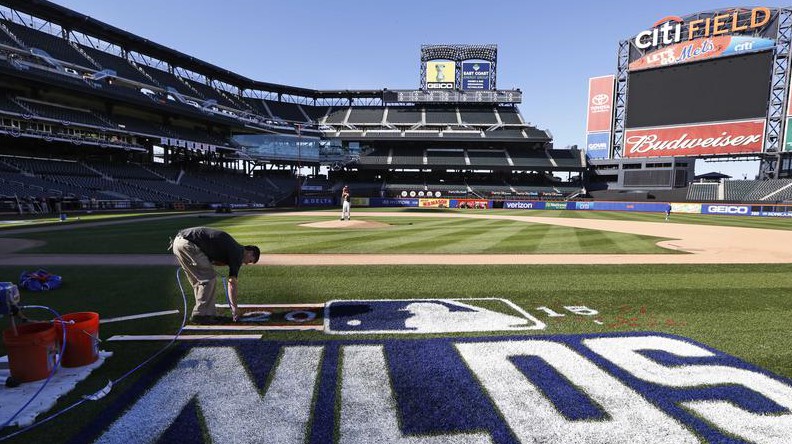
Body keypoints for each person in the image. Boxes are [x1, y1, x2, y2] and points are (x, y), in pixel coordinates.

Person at [171, 227, 260, 324]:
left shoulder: (234, 248)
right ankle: (201, 315)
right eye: (250, 261)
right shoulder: (238, 253)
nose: (247, 263)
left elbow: (214, 259)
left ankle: (205, 314)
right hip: (189, 244)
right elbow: (232, 284)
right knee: (209, 278)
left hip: (178, 242)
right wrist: (235, 308)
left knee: (199, 281)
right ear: (250, 252)